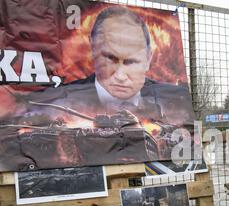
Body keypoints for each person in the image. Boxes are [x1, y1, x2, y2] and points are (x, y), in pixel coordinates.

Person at [13, 6, 195, 164]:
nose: (121, 76)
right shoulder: (56, 102)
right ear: (93, 50)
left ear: (148, 58)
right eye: (110, 59)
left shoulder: (176, 100)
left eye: (131, 62)